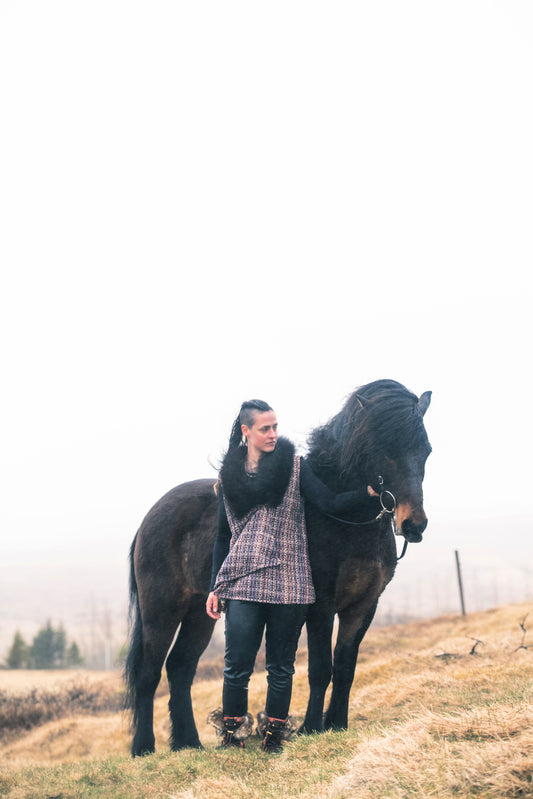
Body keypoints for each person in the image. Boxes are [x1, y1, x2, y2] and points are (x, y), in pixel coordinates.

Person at [206, 399, 376, 753]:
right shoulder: (231, 477)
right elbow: (224, 536)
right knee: (236, 665)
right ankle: (232, 737)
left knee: (281, 667)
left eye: (275, 427)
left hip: (290, 580)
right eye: (265, 428)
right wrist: (214, 586)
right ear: (246, 431)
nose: (272, 434)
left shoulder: (295, 468)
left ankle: (273, 740)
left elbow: (329, 503)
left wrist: (367, 495)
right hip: (242, 581)